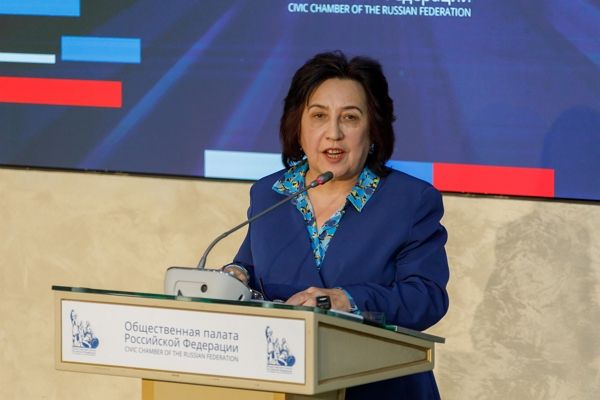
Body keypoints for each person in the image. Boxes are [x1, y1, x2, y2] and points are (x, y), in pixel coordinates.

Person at [226, 51, 449, 399]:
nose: (333, 133)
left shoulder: (410, 200)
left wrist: (346, 300)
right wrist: (233, 277)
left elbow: (427, 298)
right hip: (286, 385)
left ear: (373, 129)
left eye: (350, 118)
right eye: (319, 116)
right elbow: (253, 270)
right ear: (298, 126)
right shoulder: (271, 194)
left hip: (381, 388)